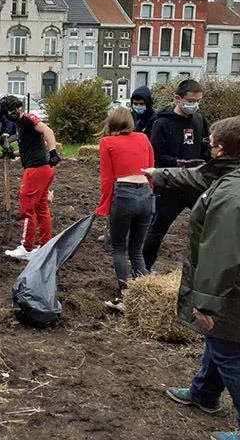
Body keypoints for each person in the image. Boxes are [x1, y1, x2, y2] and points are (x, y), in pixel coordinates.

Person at [164, 116, 240, 440]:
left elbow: (222, 251)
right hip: (232, 287)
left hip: (230, 292)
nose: (206, 147)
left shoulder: (230, 194)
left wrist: (206, 302)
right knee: (219, 343)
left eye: (209, 143)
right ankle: (203, 394)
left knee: (227, 351)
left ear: (220, 149)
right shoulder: (229, 179)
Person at [143, 78, 210, 270]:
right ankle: (143, 269)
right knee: (157, 229)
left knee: (209, 224)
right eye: (190, 101)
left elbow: (205, 148)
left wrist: (206, 162)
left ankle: (205, 268)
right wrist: (179, 163)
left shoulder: (199, 120)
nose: (194, 105)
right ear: (178, 99)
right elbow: (156, 155)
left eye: (198, 101)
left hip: (195, 183)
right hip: (170, 185)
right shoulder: (162, 122)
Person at [95, 108, 155, 313]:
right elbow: (151, 169)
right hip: (146, 195)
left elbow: (107, 178)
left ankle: (125, 296)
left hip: (124, 194)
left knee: (119, 247)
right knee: (137, 250)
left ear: (110, 123)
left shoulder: (107, 143)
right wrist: (148, 196)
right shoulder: (143, 138)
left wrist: (104, 206)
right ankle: (146, 296)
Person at [0, 95, 61, 260]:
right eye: (8, 111)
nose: (12, 112)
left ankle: (26, 248)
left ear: (18, 107)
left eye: (13, 109)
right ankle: (45, 246)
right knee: (41, 208)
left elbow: (48, 131)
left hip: (37, 169)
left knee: (27, 207)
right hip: (43, 168)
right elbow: (31, 147)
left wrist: (53, 151)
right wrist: (12, 153)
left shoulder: (27, 119)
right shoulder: (20, 125)